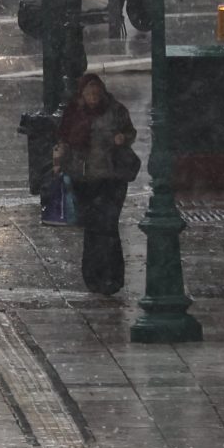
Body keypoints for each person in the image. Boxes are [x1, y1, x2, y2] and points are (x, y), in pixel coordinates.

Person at [53, 71, 136, 294]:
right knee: (92, 229)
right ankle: (94, 277)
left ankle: (111, 278)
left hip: (112, 179)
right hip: (85, 180)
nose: (93, 96)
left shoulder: (115, 110)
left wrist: (123, 138)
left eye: (96, 92)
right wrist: (59, 161)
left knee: (108, 227)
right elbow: (64, 140)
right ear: (82, 94)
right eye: (89, 92)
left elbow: (130, 132)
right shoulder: (74, 113)